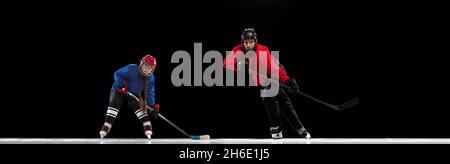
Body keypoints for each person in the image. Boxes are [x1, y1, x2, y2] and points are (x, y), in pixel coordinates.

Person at [224, 28, 310, 139]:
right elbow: (226, 63)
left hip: (275, 71)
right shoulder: (237, 50)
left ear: (255, 41)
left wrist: (287, 80)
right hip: (264, 78)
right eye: (247, 42)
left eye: (251, 42)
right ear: (242, 42)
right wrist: (239, 64)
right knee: (277, 99)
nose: (249, 45)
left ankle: (283, 129)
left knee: (277, 99)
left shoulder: (262, 50)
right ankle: (298, 130)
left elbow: (274, 69)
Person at [99, 54, 160, 139]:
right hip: (119, 88)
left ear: (152, 70)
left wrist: (152, 106)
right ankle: (107, 125)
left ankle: (147, 125)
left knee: (140, 106)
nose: (146, 69)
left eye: (149, 68)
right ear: (141, 64)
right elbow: (117, 74)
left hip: (134, 92)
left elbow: (150, 92)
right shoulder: (131, 68)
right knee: (114, 103)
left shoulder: (151, 78)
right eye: (145, 66)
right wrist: (121, 85)